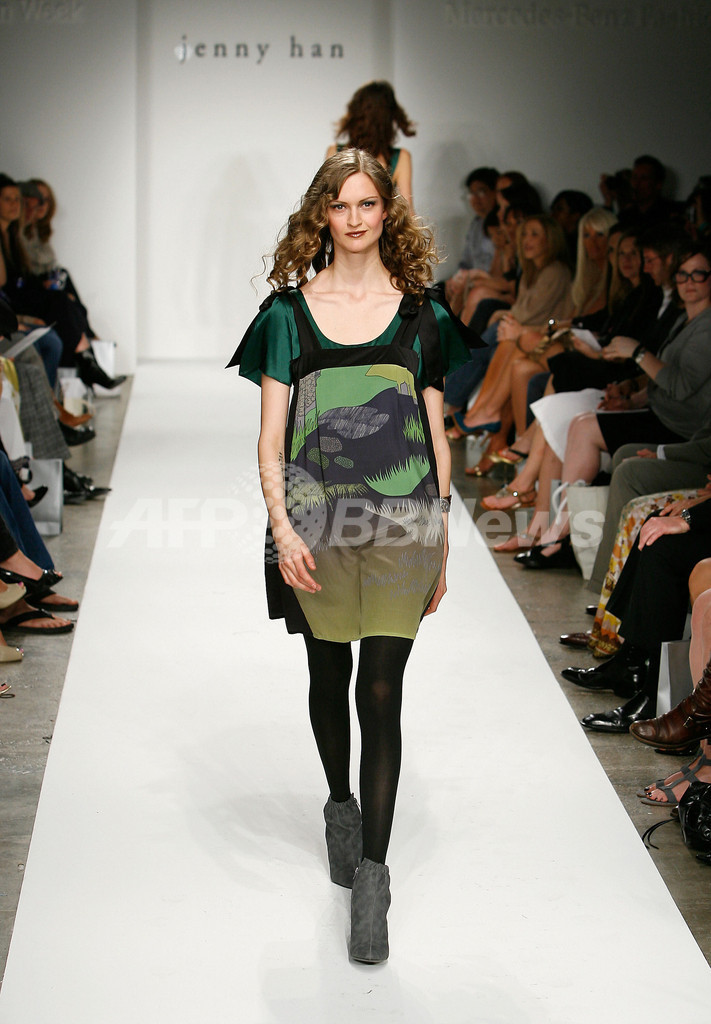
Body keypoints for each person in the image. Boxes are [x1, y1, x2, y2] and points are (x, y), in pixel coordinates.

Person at [229, 149, 474, 964]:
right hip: (314, 525)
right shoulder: (285, 316)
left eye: (369, 203)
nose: (356, 218)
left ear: (386, 213)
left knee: (381, 689)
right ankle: (339, 803)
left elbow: (435, 434)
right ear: (321, 216)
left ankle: (373, 876)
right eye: (341, 205)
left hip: (405, 524)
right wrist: (283, 528)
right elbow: (269, 440)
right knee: (328, 672)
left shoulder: (422, 316)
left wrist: (443, 536)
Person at [327, 81, 415, 206]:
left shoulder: (335, 152)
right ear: (390, 118)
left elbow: (326, 202)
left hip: (344, 219)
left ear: (355, 115)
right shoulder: (400, 157)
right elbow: (408, 209)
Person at [443, 166, 499, 314]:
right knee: (440, 290)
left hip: (488, 282)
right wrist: (456, 278)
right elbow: (465, 263)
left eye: (481, 192)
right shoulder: (476, 224)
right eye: (472, 194)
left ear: (495, 193)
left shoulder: (500, 226)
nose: (475, 199)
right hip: (470, 279)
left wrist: (472, 277)